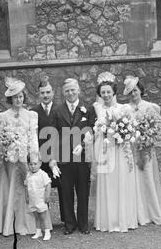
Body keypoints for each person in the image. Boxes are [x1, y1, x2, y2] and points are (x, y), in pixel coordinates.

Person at [93, 72, 140, 232]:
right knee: (108, 184)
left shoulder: (124, 108)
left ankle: (124, 219)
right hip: (105, 151)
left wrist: (122, 133)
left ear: (114, 92)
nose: (106, 95)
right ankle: (108, 220)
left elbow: (132, 128)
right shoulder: (98, 108)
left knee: (122, 182)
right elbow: (97, 131)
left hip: (121, 151)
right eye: (103, 92)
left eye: (108, 92)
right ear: (100, 94)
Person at [49, 78, 96, 235]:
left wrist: (82, 145)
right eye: (67, 91)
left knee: (83, 191)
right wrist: (53, 158)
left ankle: (83, 224)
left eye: (73, 90)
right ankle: (69, 224)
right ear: (63, 93)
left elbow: (92, 131)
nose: (70, 93)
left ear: (78, 91)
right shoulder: (57, 111)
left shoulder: (87, 109)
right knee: (66, 192)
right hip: (63, 158)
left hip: (82, 159)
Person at [0, 78, 41, 236]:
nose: (18, 100)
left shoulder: (31, 115)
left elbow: (33, 137)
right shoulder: (3, 116)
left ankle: (26, 224)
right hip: (11, 161)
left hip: (26, 159)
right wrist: (7, 148)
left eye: (21, 97)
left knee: (27, 190)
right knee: (11, 190)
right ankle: (10, 225)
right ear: (10, 99)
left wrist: (33, 156)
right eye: (15, 97)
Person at [123, 76, 161, 225]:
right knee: (134, 180)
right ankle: (139, 214)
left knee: (148, 178)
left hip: (146, 149)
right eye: (130, 92)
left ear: (140, 90)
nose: (133, 94)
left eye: (135, 90)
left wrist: (147, 138)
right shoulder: (126, 109)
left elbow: (157, 127)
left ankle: (153, 213)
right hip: (132, 149)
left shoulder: (150, 107)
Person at [31, 77, 64, 222]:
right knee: (42, 188)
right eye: (42, 93)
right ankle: (45, 220)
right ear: (39, 94)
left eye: (48, 92)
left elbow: (63, 134)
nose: (45, 95)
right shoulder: (34, 112)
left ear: (53, 92)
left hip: (58, 155)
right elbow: (33, 135)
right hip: (41, 156)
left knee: (63, 187)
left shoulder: (61, 109)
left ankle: (66, 219)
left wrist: (55, 156)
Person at [25, 153, 52, 241]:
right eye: (31, 164)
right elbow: (26, 186)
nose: (33, 166)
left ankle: (47, 232)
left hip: (40, 199)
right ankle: (38, 231)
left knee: (43, 216)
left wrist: (47, 195)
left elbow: (48, 184)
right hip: (33, 199)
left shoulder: (42, 174)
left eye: (35, 164)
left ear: (40, 163)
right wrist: (27, 196)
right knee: (36, 216)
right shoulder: (28, 175)